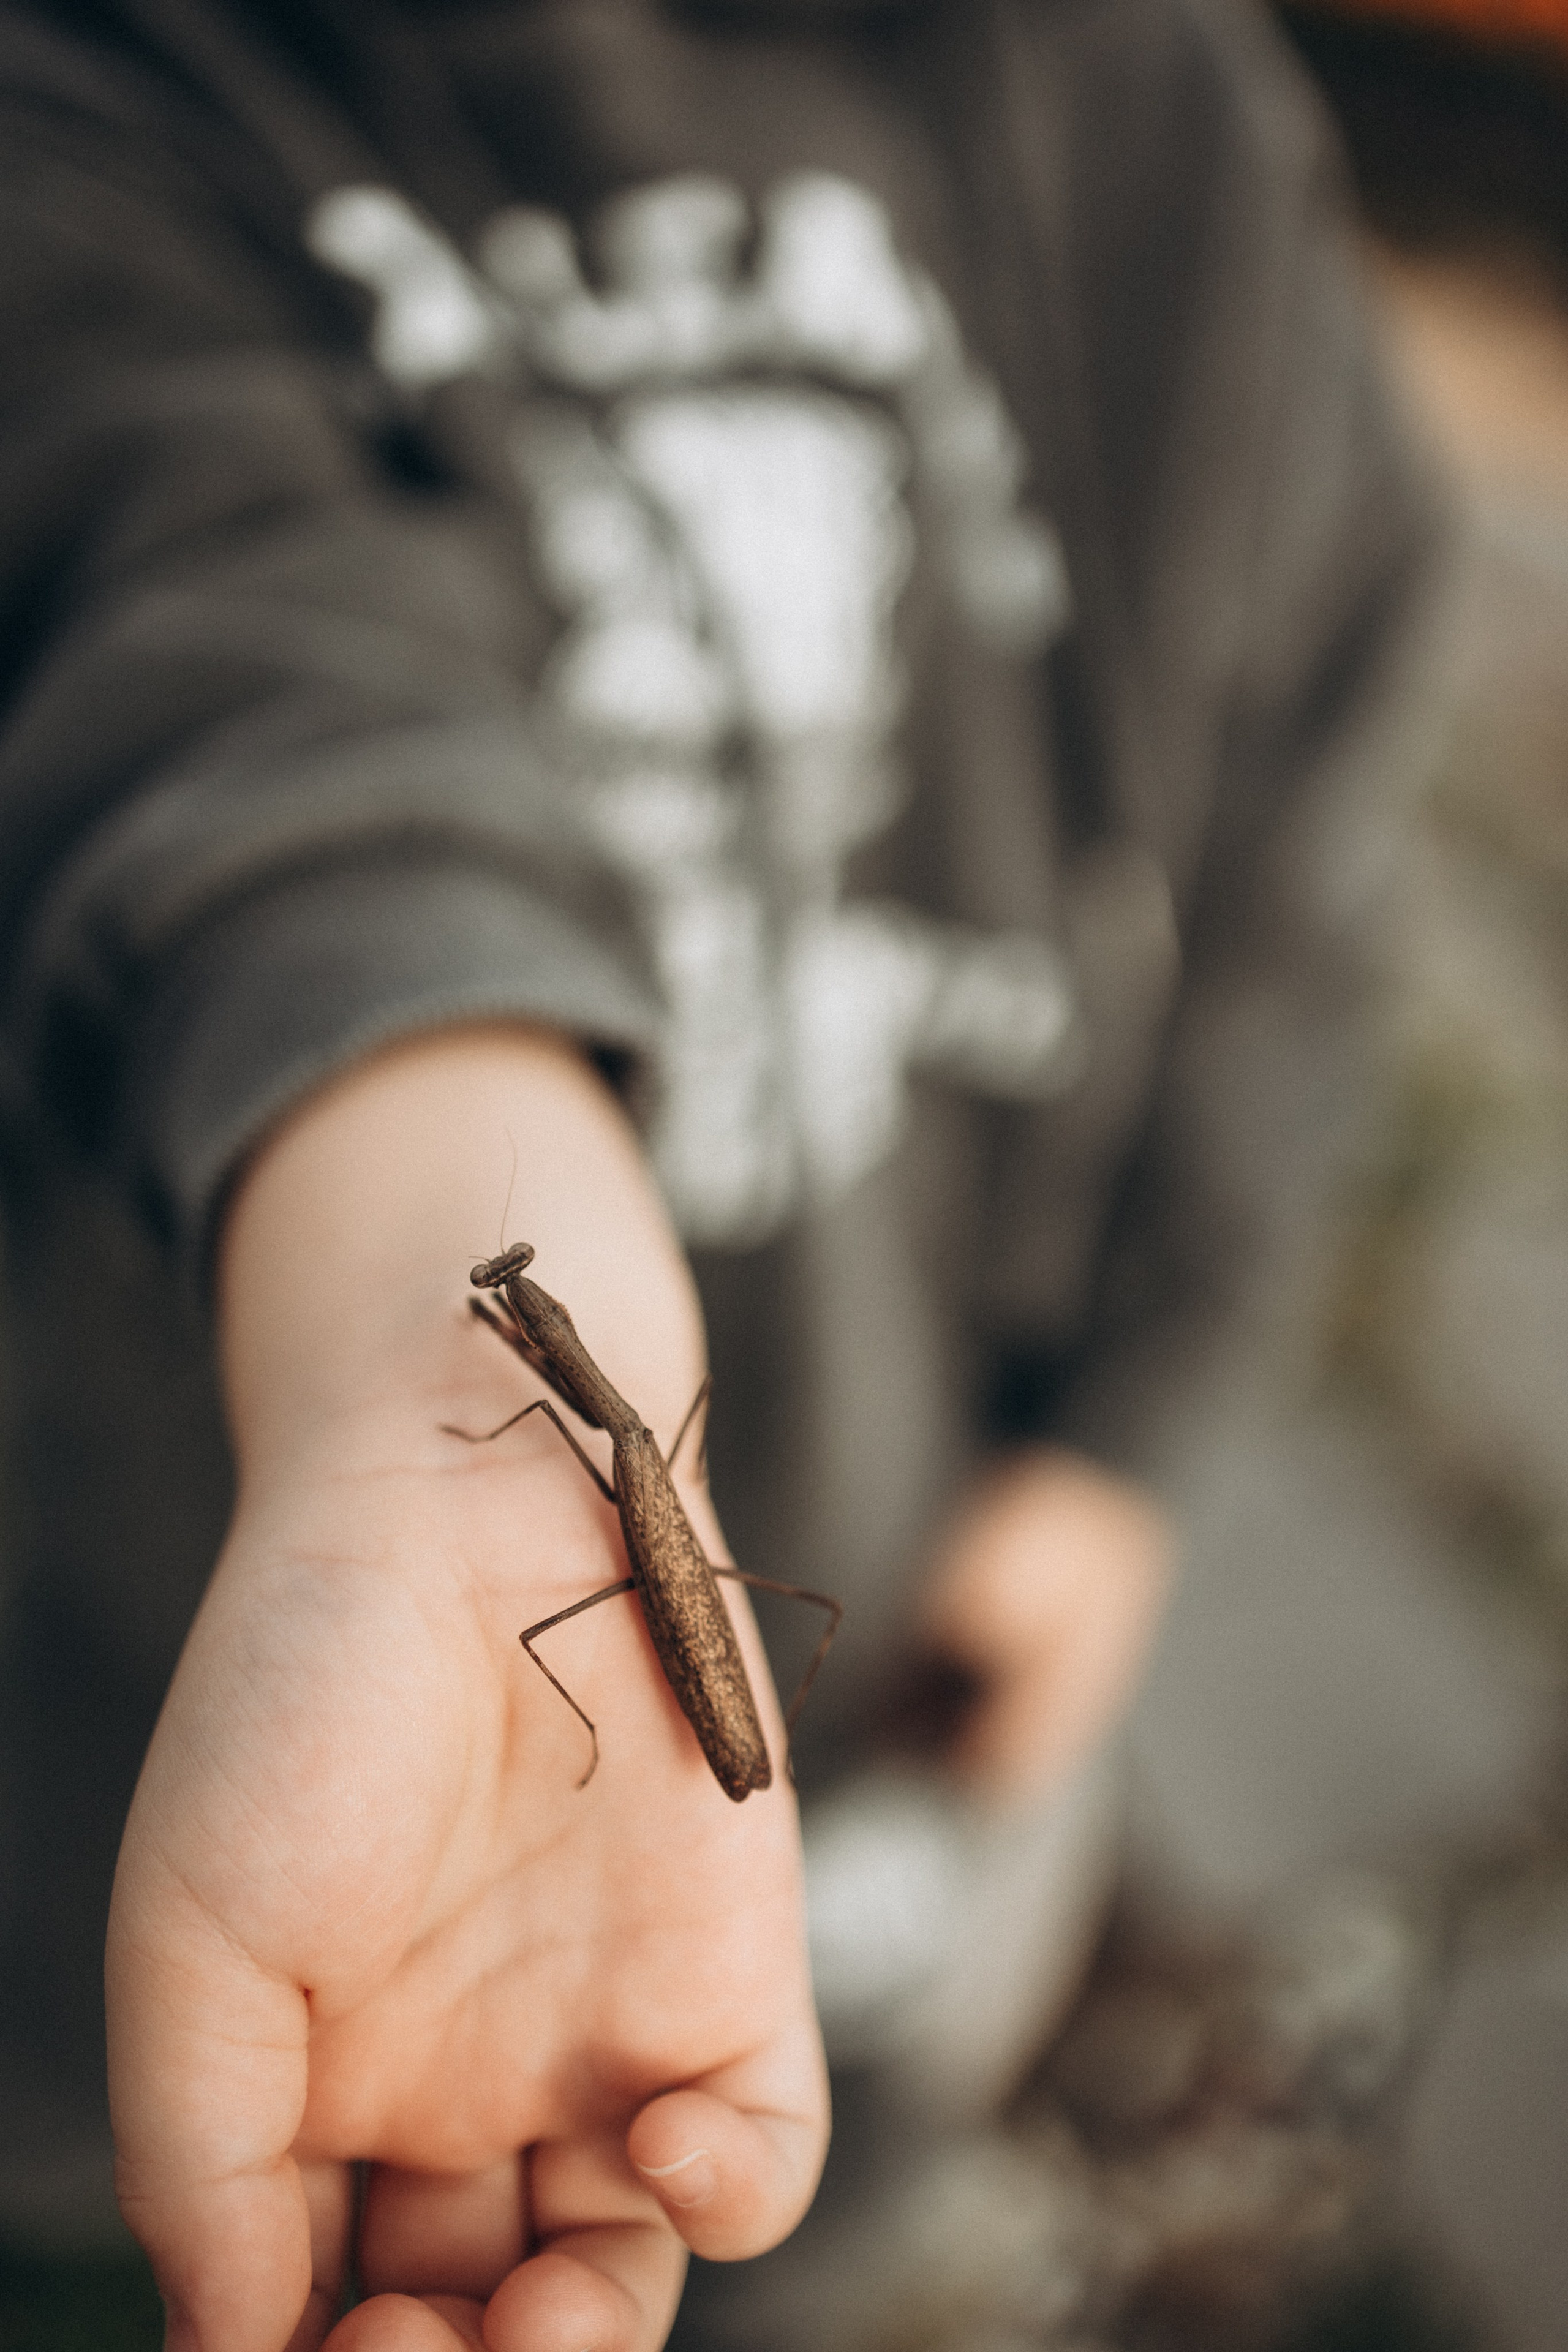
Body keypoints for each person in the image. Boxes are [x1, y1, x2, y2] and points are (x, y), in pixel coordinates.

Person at [0, 1, 1442, 2346]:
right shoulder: (98, 115)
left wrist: (1120, 1446)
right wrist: (417, 1295)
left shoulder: (1162, 122)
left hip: (889, 1771)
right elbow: (242, 671)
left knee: (773, 2208)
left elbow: (1301, 882)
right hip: (324, 1957)